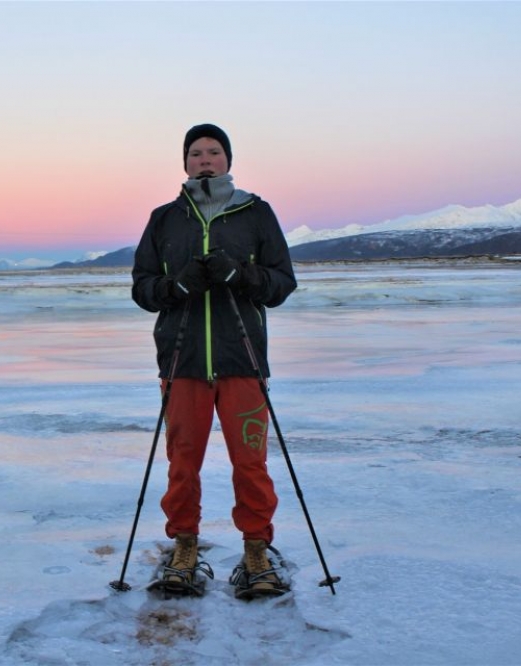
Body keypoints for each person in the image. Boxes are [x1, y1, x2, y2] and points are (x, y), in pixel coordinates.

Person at [131, 123, 297, 595]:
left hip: (242, 358)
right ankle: (184, 548)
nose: (205, 160)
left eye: (214, 152)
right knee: (183, 463)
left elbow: (282, 282)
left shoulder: (256, 214)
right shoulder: (164, 219)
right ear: (185, 162)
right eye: (197, 153)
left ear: (228, 160)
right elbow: (142, 288)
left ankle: (256, 551)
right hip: (182, 362)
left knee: (251, 462)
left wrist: (241, 275)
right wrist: (175, 286)